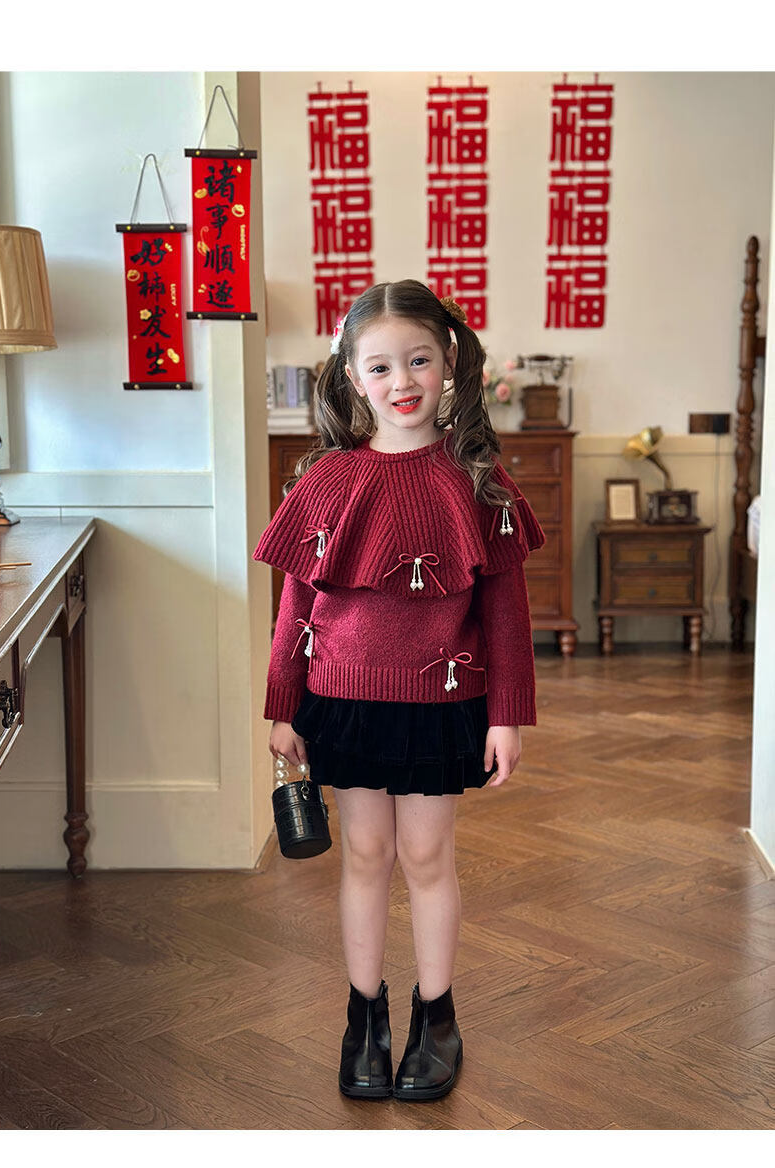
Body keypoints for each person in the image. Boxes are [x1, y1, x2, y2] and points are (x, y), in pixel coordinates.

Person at [252, 279, 545, 1103]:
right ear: (352, 376)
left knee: (425, 857)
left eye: (418, 360)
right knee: (365, 856)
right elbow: (296, 607)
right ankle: (365, 1019)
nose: (402, 381)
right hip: (343, 701)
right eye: (380, 366)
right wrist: (282, 705)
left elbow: (506, 613)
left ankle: (437, 1019)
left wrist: (507, 716)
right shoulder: (328, 479)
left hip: (441, 704)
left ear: (448, 361)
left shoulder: (477, 480)